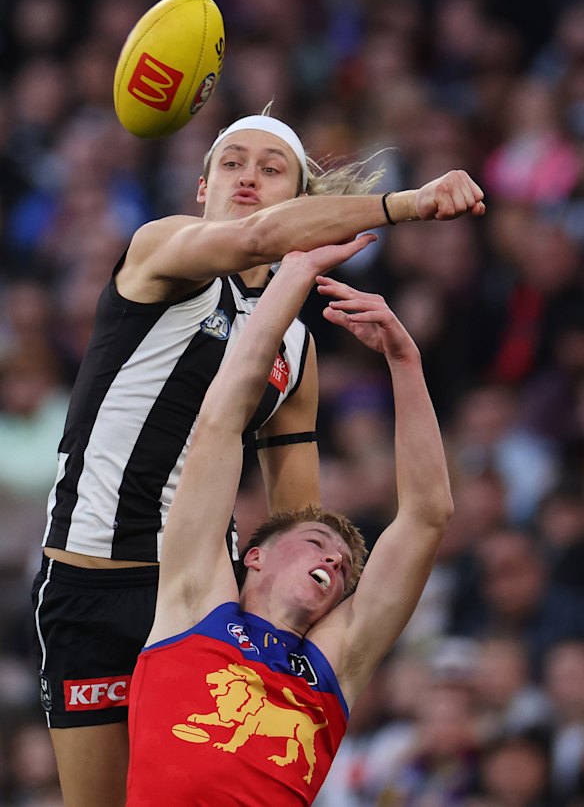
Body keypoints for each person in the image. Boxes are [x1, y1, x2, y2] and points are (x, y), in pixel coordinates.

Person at [31, 110, 485, 807]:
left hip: (204, 595)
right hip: (98, 576)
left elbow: (297, 518)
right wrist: (409, 203)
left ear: (301, 197)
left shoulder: (296, 351)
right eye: (233, 162)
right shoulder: (162, 249)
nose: (248, 176)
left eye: (271, 168)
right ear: (201, 186)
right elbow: (259, 238)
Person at [125, 235, 455, 805]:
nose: (333, 560)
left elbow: (428, 515)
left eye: (345, 566)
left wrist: (405, 361)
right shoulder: (193, 599)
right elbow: (221, 424)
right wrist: (288, 280)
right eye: (316, 542)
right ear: (255, 556)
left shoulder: (336, 658)